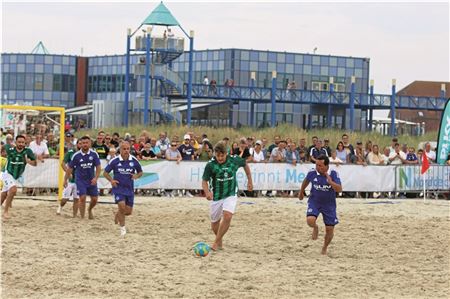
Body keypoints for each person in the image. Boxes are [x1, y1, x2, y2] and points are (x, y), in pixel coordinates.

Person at [202, 142, 253, 251]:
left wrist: (250, 180)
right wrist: (207, 192)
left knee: (228, 216)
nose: (220, 158)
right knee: (214, 224)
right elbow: (204, 181)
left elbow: (245, 165)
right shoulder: (210, 165)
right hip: (216, 196)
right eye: (218, 155)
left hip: (231, 194)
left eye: (222, 155)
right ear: (215, 154)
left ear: (226, 153)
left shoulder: (234, 160)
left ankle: (215, 243)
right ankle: (219, 241)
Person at [298, 155, 342, 255]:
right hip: (315, 201)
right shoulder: (312, 172)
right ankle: (315, 228)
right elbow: (306, 181)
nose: (318, 167)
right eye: (317, 165)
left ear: (327, 166)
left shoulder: (333, 174)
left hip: (329, 204)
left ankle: (324, 248)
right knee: (310, 221)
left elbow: (339, 189)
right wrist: (301, 192)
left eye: (320, 165)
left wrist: (331, 182)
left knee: (329, 230)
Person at [103, 141, 143, 236]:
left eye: (128, 149)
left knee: (128, 212)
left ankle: (118, 215)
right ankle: (123, 229)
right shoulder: (115, 161)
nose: (126, 151)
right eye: (124, 149)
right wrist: (112, 181)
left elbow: (140, 172)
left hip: (129, 188)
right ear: (120, 150)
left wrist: (136, 176)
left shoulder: (134, 160)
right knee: (121, 206)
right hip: (118, 188)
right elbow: (105, 173)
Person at [64, 136, 101, 219]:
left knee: (95, 199)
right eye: (83, 143)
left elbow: (98, 167)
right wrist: (65, 179)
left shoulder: (94, 154)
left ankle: (90, 210)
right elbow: (69, 169)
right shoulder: (76, 156)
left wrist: (96, 178)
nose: (85, 144)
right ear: (80, 145)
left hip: (91, 179)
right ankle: (82, 218)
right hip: (80, 180)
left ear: (90, 143)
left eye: (86, 143)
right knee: (82, 197)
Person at [1, 135, 37, 219]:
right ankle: (5, 212)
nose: (21, 144)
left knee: (4, 195)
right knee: (13, 190)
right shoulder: (9, 150)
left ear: (25, 143)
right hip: (8, 173)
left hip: (17, 176)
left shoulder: (28, 151)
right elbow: (2, 152)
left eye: (23, 142)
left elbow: (35, 163)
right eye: (19, 142)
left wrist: (28, 161)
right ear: (15, 142)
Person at [57, 139, 81, 217]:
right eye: (80, 143)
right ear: (77, 144)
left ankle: (74, 215)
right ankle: (60, 207)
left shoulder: (86, 155)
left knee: (76, 198)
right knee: (65, 199)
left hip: (79, 180)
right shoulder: (71, 152)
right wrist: (67, 172)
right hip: (70, 179)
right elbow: (63, 163)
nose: (81, 145)